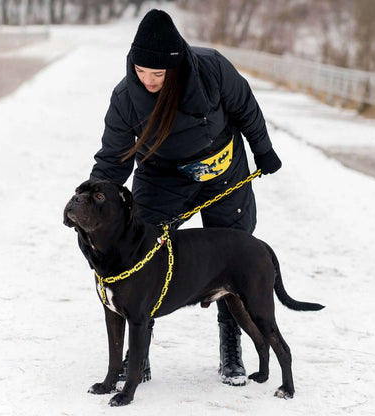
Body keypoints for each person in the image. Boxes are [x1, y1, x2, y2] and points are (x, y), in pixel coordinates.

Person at [90, 9, 282, 386]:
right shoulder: (125, 98)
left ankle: (232, 348)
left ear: (174, 68)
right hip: (163, 177)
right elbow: (112, 159)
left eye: (157, 74)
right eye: (140, 71)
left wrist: (264, 150)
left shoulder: (211, 69)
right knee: (142, 253)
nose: (147, 80)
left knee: (233, 260)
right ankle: (137, 356)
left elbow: (246, 108)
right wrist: (97, 204)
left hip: (224, 171)